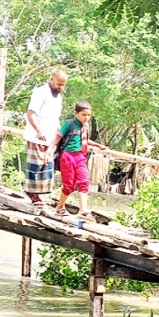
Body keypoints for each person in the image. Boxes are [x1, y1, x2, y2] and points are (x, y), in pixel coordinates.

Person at [47, 101, 108, 217]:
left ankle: (83, 210)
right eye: (84, 115)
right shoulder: (69, 124)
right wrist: (49, 150)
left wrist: (98, 145)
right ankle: (60, 206)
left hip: (80, 156)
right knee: (69, 185)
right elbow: (58, 137)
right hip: (67, 156)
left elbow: (84, 139)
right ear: (76, 113)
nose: (86, 118)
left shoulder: (84, 127)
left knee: (84, 181)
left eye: (88, 115)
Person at [23, 70, 68, 207]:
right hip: (38, 135)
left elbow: (55, 117)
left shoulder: (58, 97)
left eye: (63, 85)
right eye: (58, 84)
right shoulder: (41, 92)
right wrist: (39, 130)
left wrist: (61, 132)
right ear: (51, 80)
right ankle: (32, 193)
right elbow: (31, 113)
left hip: (51, 135)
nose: (60, 87)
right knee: (36, 165)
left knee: (47, 165)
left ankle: (39, 193)